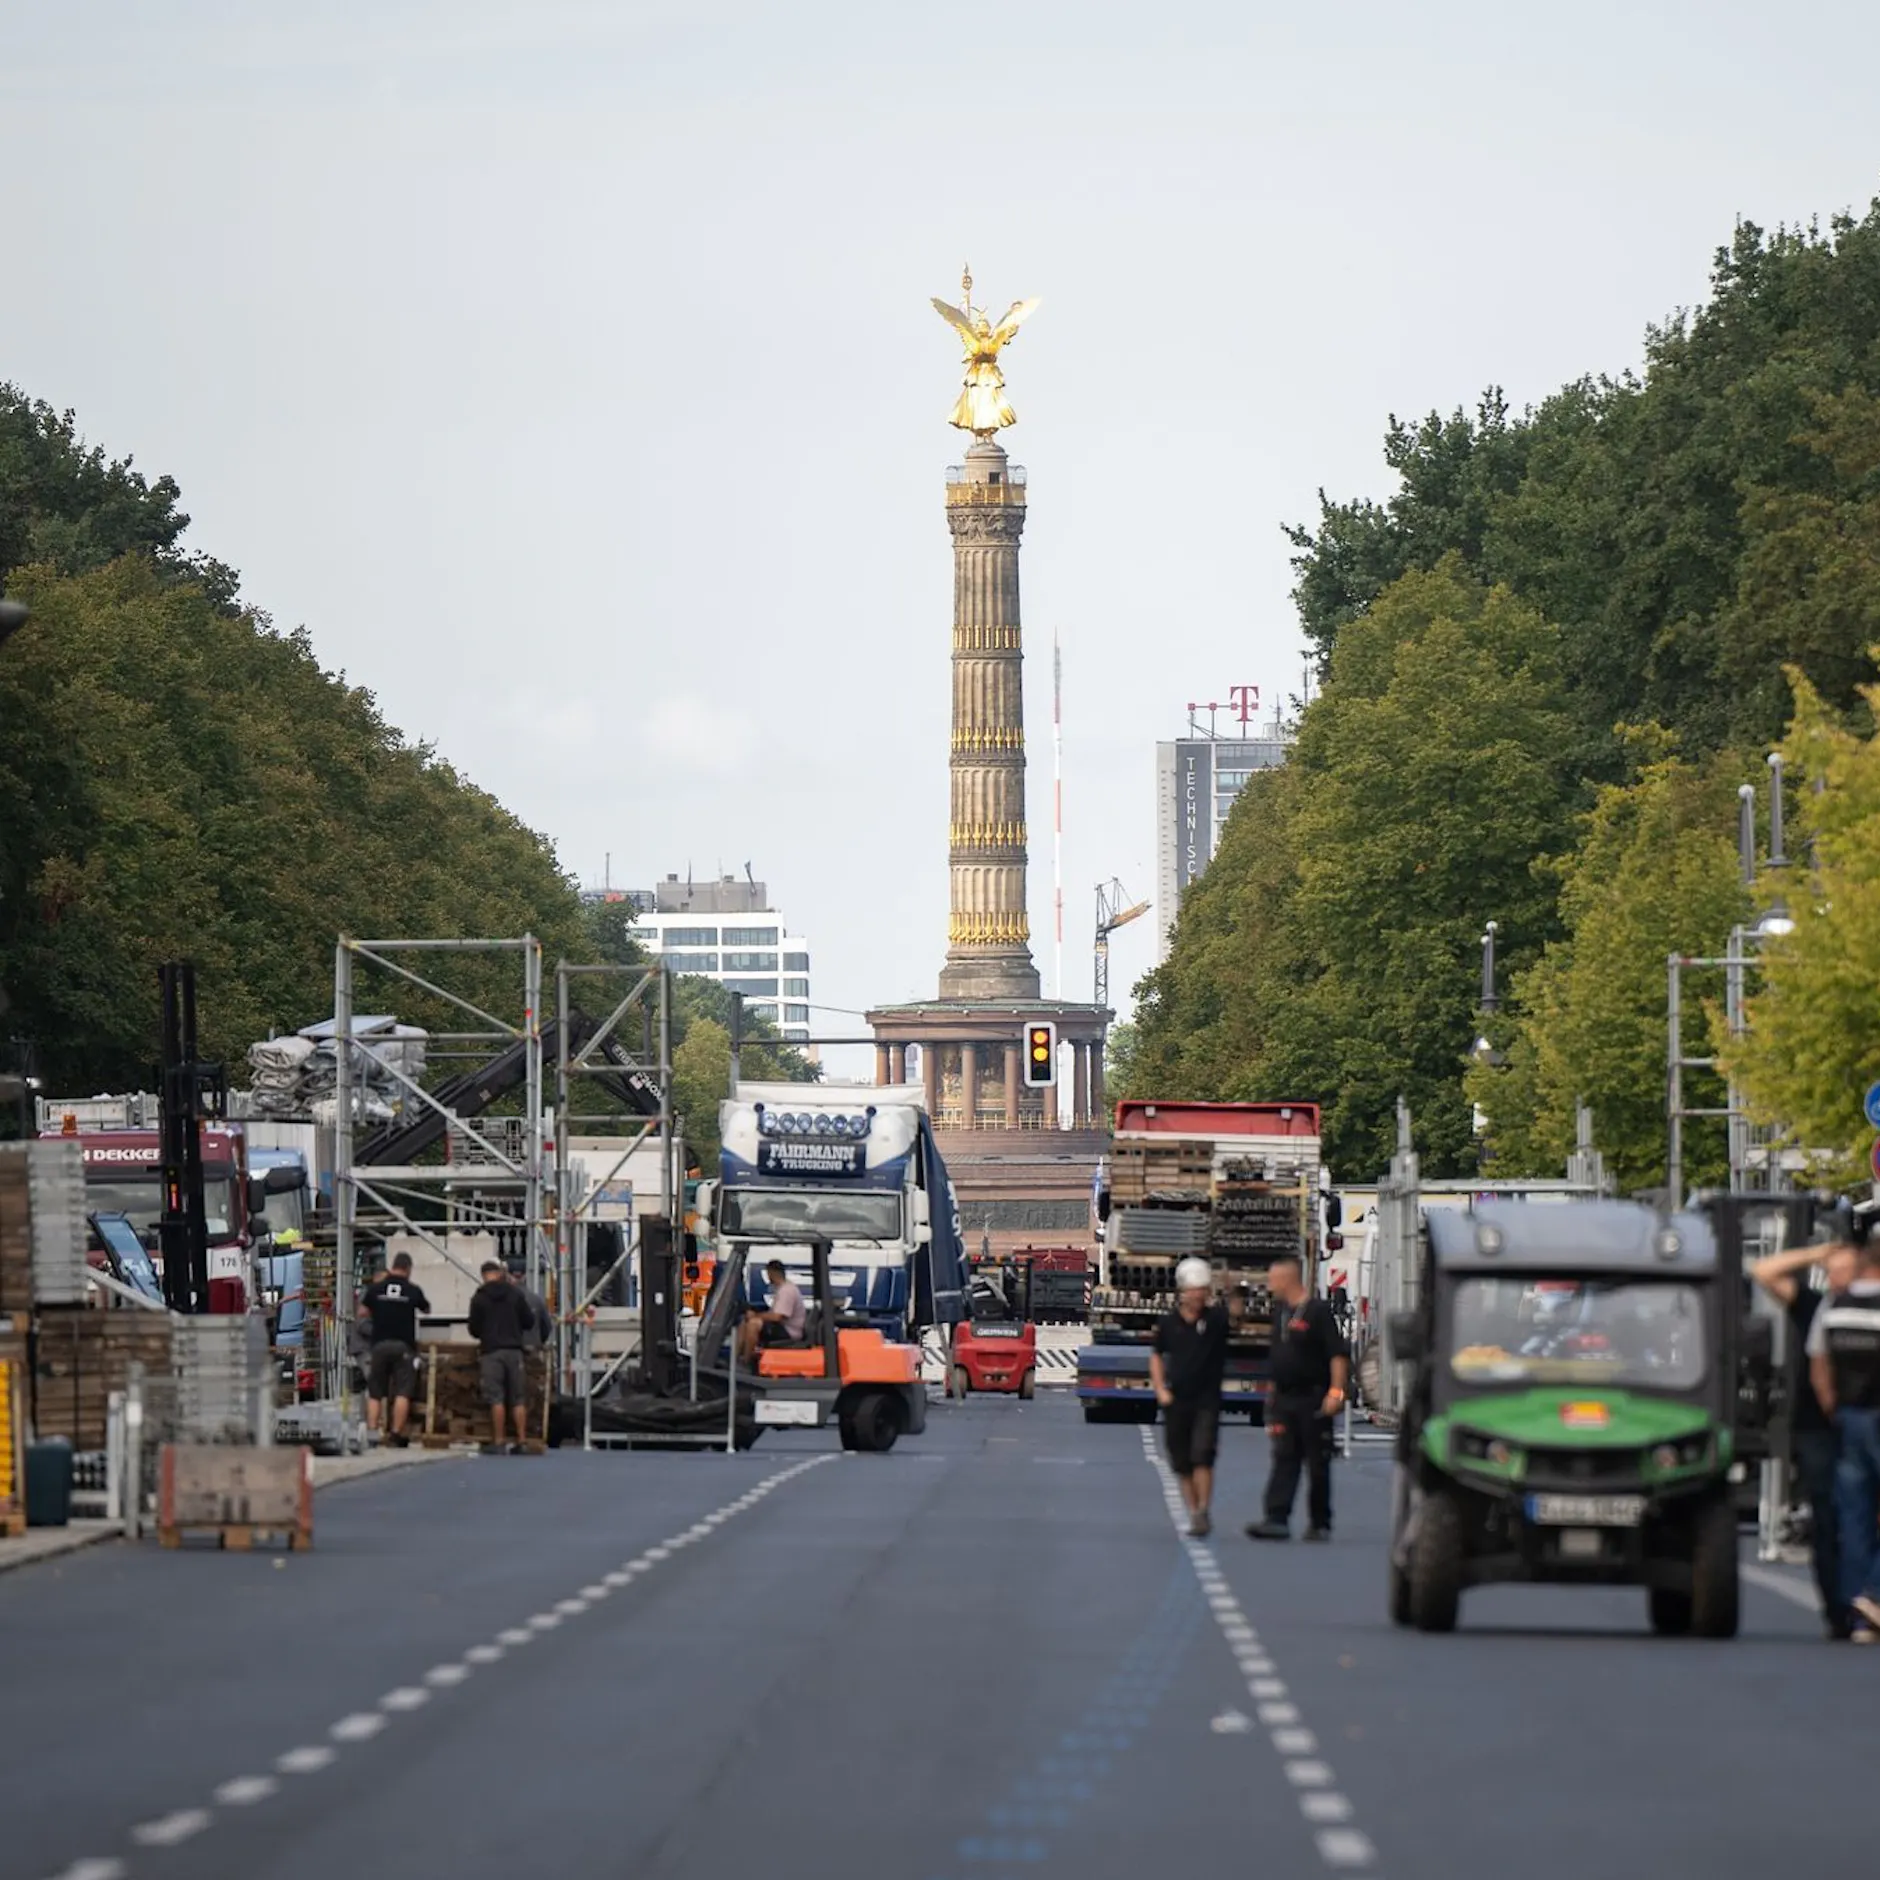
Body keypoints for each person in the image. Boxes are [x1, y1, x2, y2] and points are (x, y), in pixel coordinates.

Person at [1751, 1235, 1858, 1637]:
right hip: (1817, 1427)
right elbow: (1763, 1271)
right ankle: (1837, 1611)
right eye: (1832, 1271)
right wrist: (1819, 1252)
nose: (1836, 1277)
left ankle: (1863, 1600)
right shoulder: (1814, 1305)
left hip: (1862, 1422)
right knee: (1827, 1518)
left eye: (1845, 1269)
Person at [1806, 1235, 1880, 1642]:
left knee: (1853, 1518)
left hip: (1848, 1419)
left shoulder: (1834, 1304)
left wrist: (1833, 1406)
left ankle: (1856, 1612)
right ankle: (1873, 1595)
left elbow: (1819, 1363)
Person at [1247, 1255, 1349, 1542]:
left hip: (1314, 1398)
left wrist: (1336, 1392)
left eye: (1273, 1280)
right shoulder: (1280, 1311)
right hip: (1285, 1398)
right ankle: (1276, 1518)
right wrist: (1271, 1394)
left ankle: (1320, 1522)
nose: (1270, 1285)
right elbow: (1277, 1356)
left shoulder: (1316, 1312)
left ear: (1289, 1279)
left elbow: (1337, 1355)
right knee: (1283, 1458)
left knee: (1317, 1462)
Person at [1152, 1257, 1244, 1538]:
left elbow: (1236, 1318)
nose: (1198, 1295)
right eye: (1193, 1290)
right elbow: (1156, 1355)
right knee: (1182, 1461)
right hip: (1176, 1400)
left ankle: (1203, 1510)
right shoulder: (1168, 1324)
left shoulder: (1215, 1320)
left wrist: (1233, 1291)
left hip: (1207, 1400)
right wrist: (1160, 1389)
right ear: (1183, 1291)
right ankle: (1193, 1510)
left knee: (1202, 1455)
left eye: (1202, 1289)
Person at [357, 1252, 431, 1446]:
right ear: (408, 1269)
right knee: (402, 1391)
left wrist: (380, 1310)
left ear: (393, 1266)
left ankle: (372, 1433)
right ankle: (396, 1433)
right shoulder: (413, 1289)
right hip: (403, 1346)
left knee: (375, 1392)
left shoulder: (376, 1288)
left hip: (379, 1345)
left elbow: (362, 1311)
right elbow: (426, 1309)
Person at [468, 1258, 537, 1455]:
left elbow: (473, 1329)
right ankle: (522, 1441)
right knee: (518, 1398)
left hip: (492, 1352)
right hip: (514, 1351)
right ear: (499, 1273)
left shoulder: (479, 1297)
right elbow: (529, 1321)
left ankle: (499, 1441)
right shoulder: (515, 1294)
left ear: (483, 1276)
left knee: (496, 1397)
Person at [738, 1258, 807, 1363]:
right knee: (745, 1322)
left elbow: (777, 1316)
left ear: (773, 1273)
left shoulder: (786, 1291)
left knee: (754, 1324)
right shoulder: (782, 1288)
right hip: (783, 1327)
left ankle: (746, 1360)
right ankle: (736, 1357)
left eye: (768, 1273)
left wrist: (756, 1315)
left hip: (789, 1331)